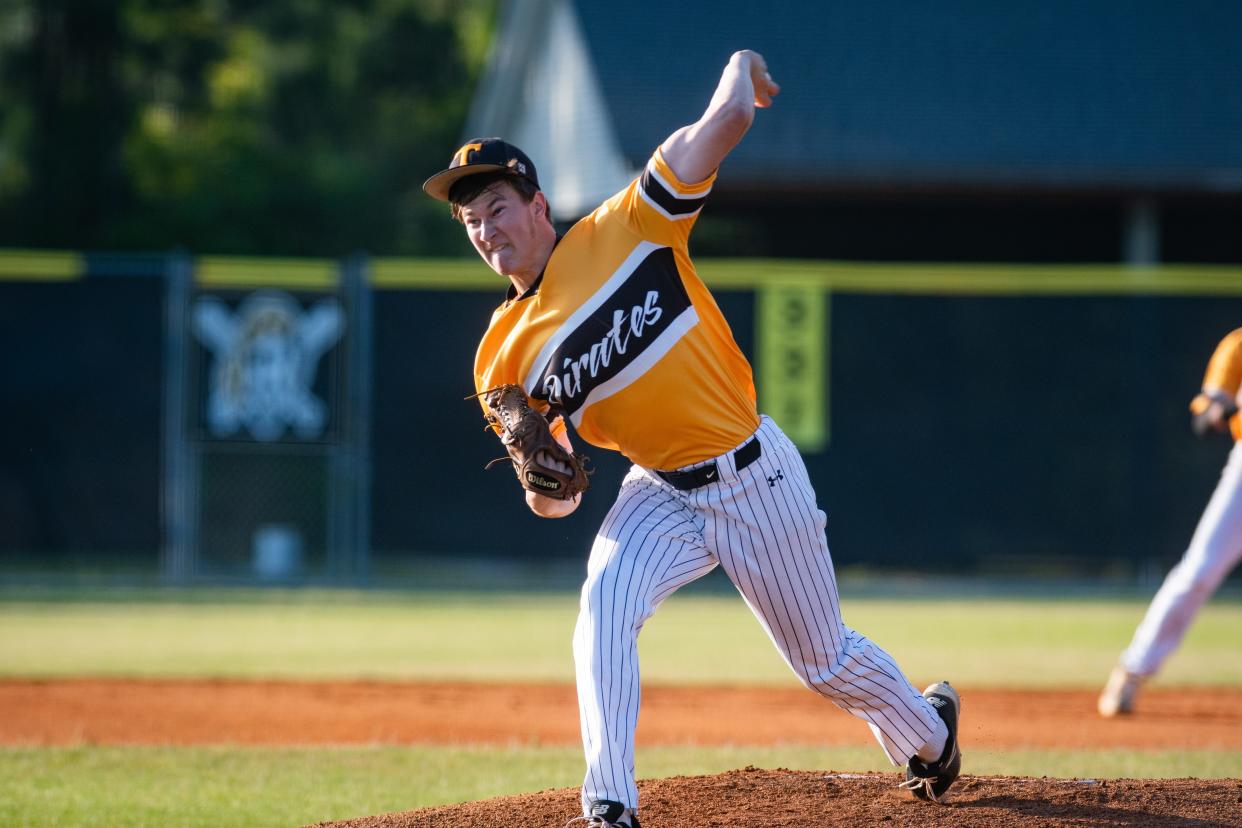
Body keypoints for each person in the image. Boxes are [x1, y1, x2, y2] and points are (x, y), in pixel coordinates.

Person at [423, 50, 961, 827]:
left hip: (753, 472)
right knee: (603, 605)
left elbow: (728, 121)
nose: (485, 229)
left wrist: (741, 67)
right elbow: (554, 501)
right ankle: (609, 803)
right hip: (659, 490)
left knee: (824, 661)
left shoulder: (630, 225)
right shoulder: (499, 358)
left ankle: (930, 734)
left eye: (497, 207)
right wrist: (550, 479)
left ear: (538, 205)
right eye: (470, 220)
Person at [1099, 328, 1242, 717]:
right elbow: (1204, 421)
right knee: (1199, 570)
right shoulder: (1238, 346)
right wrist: (1223, 410)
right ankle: (1132, 671)